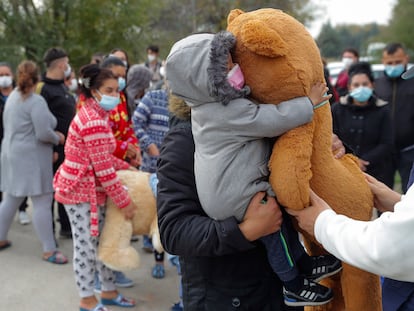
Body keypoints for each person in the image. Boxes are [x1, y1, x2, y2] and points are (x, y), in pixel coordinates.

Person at [166, 31, 340, 307]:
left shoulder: (213, 109)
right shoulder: (218, 115)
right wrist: (309, 103)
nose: (237, 70)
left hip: (237, 200)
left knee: (280, 224)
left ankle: (303, 264)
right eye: (227, 67)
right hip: (228, 283)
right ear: (205, 79)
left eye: (237, 62)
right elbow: (269, 119)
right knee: (275, 234)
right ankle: (293, 284)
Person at [53, 64, 137, 311]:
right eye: (109, 90)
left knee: (104, 242)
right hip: (80, 192)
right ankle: (87, 299)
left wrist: (127, 168)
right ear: (94, 91)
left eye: (116, 89)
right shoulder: (93, 121)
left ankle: (108, 292)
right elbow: (104, 171)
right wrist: (125, 202)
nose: (114, 95)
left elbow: (103, 158)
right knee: (86, 248)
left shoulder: (99, 114)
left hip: (91, 190)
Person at [0, 60, 68, 264]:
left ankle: (1, 237)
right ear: (37, 78)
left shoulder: (13, 97)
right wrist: (58, 138)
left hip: (12, 153)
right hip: (32, 157)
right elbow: (43, 132)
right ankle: (49, 249)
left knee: (11, 198)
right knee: (42, 201)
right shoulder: (35, 101)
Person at [331, 61, 394, 187]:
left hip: (377, 169)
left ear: (372, 85)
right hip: (345, 167)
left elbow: (387, 142)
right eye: (356, 85)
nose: (361, 88)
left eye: (365, 84)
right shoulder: (337, 109)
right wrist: (353, 160)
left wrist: (364, 161)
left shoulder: (383, 110)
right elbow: (332, 136)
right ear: (349, 87)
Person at [132, 77, 169, 279]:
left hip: (170, 172)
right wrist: (149, 145)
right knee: (148, 208)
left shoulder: (185, 104)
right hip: (149, 168)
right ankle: (147, 237)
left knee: (161, 215)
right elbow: (136, 121)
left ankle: (159, 260)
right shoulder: (153, 98)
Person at [41, 47, 76, 239]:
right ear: (62, 64)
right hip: (54, 149)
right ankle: (49, 234)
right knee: (50, 194)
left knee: (65, 188)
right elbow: (41, 122)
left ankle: (65, 226)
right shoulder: (43, 88)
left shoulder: (62, 86)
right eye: (67, 62)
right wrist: (54, 147)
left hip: (68, 148)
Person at [375, 42, 414, 194]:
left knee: (410, 193)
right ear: (383, 62)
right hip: (384, 152)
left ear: (406, 59)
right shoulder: (377, 85)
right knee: (382, 192)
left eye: (397, 62)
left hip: (410, 149)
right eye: (389, 63)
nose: (393, 66)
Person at [0, 61, 31, 225]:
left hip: (19, 144)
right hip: (2, 142)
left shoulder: (20, 94)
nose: (4, 78)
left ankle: (22, 209)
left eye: (6, 74)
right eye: (1, 75)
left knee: (21, 178)